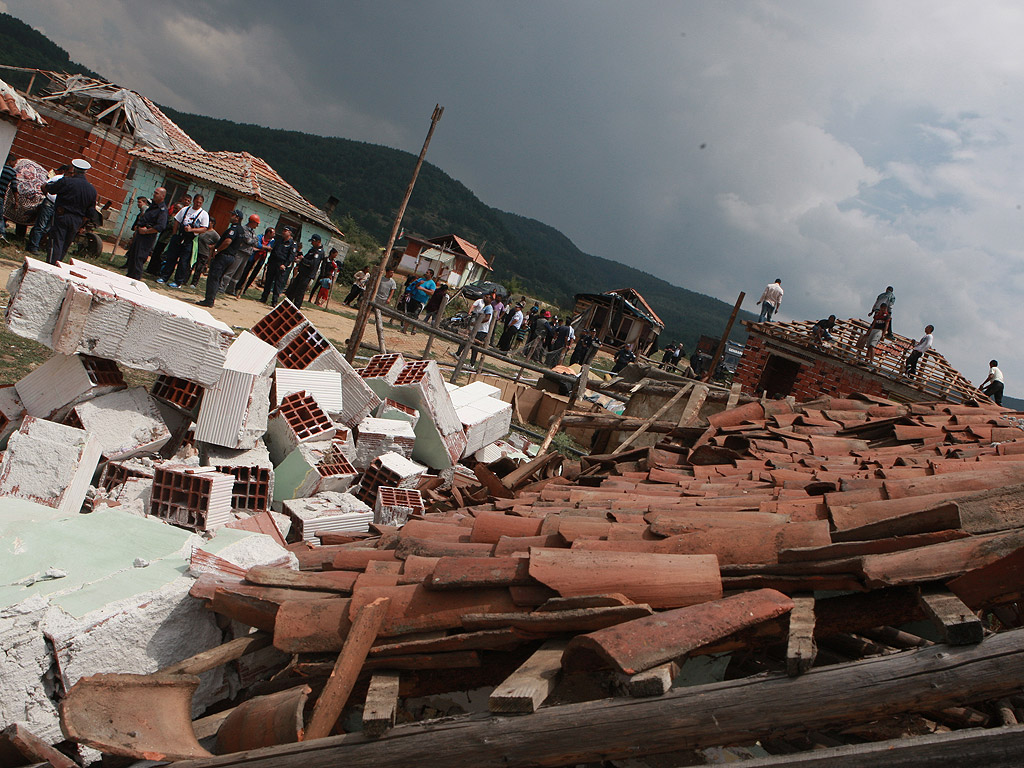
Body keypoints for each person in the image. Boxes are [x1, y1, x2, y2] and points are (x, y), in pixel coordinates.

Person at [44, 158, 97, 265]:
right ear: (86, 172)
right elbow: (91, 212)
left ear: (74, 169)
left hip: (62, 215)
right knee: (66, 244)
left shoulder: (66, 181)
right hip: (77, 220)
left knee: (56, 242)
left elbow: (52, 189)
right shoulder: (91, 190)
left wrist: (45, 186)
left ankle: (51, 265)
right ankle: (59, 263)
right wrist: (82, 224)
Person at [197, 209, 245, 308]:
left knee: (213, 277)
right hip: (231, 257)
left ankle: (209, 300)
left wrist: (217, 250)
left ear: (237, 218)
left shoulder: (234, 229)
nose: (230, 217)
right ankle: (211, 298)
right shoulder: (241, 230)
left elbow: (228, 241)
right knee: (218, 278)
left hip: (224, 256)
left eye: (233, 215)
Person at [162, 194, 210, 286]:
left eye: (200, 203)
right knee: (171, 258)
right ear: (193, 201)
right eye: (196, 202)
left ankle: (178, 281)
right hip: (179, 236)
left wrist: (192, 230)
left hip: (190, 240)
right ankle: (164, 277)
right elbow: (177, 221)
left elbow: (204, 229)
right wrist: (174, 234)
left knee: (184, 261)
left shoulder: (204, 214)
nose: (198, 204)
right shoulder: (185, 209)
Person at [124, 187, 168, 280]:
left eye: (156, 193)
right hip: (140, 234)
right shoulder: (153, 206)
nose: (154, 195)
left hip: (147, 237)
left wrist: (146, 231)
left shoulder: (162, 210)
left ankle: (135, 279)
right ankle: (129, 277)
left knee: (139, 258)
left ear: (162, 196)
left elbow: (160, 226)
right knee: (133, 256)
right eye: (154, 192)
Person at [26, 164, 69, 254]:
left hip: (57, 207)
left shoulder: (70, 182)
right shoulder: (57, 178)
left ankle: (36, 243)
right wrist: (48, 196)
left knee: (47, 228)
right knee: (41, 225)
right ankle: (33, 247)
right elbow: (44, 186)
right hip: (49, 204)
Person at [149, 193, 190, 275]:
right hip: (163, 237)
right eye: (175, 208)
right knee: (156, 253)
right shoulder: (170, 213)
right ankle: (151, 269)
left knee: (164, 256)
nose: (175, 209)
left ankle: (159, 271)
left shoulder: (182, 217)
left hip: (169, 239)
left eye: (177, 209)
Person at [222, 214, 260, 295]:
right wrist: (253, 241)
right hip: (240, 252)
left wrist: (253, 241)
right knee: (231, 270)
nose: (257, 225)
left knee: (239, 273)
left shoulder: (253, 232)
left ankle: (231, 289)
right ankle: (222, 287)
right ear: (252, 222)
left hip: (247, 254)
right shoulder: (243, 229)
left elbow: (257, 243)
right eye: (257, 223)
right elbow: (248, 240)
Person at [260, 226, 298, 305]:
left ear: (290, 233)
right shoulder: (279, 240)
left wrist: (285, 265)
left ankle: (274, 301)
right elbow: (274, 251)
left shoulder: (292, 244)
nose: (283, 232)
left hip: (281, 265)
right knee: (268, 281)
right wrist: (268, 262)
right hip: (273, 263)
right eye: (283, 230)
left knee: (278, 283)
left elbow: (291, 256)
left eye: (285, 231)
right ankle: (264, 298)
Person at [285, 233, 324, 308]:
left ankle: (296, 309)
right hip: (302, 273)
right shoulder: (312, 250)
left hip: (307, 275)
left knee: (299, 293)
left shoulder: (319, 252)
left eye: (313, 241)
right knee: (292, 290)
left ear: (318, 241)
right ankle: (286, 306)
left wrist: (303, 259)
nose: (312, 243)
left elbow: (312, 264)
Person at [456, 291, 495, 367]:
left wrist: (477, 322)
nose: (485, 298)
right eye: (485, 297)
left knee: (474, 346)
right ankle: (459, 354)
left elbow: (487, 318)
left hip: (482, 330)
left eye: (487, 297)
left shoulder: (489, 308)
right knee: (469, 341)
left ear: (491, 300)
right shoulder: (485, 306)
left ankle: (472, 364)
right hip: (478, 329)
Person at [239, 227, 275, 295]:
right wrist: (264, 248)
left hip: (261, 260)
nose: (274, 235)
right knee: (245, 272)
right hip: (253, 258)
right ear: (268, 233)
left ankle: (244, 289)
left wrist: (262, 248)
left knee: (253, 275)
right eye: (273, 233)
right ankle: (239, 286)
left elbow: (270, 248)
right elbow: (257, 244)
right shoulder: (259, 237)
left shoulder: (272, 241)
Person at [190, 216, 221, 287]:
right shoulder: (203, 230)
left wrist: (213, 247)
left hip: (204, 253)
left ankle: (194, 283)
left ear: (212, 223)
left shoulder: (214, 234)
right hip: (196, 250)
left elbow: (219, 242)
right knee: (191, 266)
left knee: (199, 269)